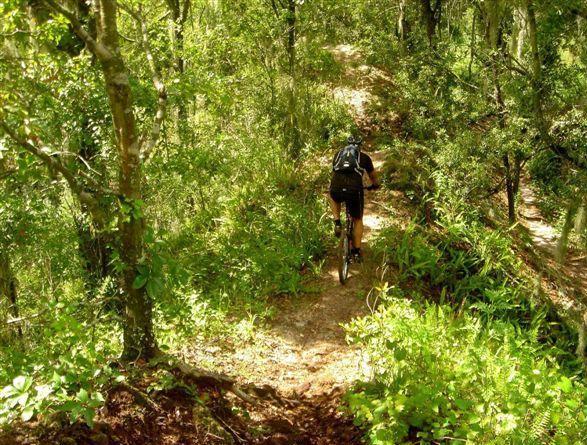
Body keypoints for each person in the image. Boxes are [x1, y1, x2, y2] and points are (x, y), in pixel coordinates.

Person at [328, 135, 380, 262]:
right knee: (357, 219)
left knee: (332, 195)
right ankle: (356, 252)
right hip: (354, 190)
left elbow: (335, 172)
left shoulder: (338, 155)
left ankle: (337, 222)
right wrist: (375, 185)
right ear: (360, 146)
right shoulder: (365, 158)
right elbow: (373, 176)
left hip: (337, 188)